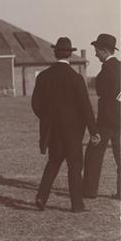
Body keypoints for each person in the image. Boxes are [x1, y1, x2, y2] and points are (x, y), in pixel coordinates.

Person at [32, 37, 99, 212]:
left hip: (53, 130)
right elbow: (85, 107)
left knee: (53, 162)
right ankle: (77, 205)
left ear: (55, 53)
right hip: (73, 131)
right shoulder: (76, 78)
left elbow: (36, 104)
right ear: (70, 54)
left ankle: (41, 197)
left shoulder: (44, 76)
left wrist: (47, 118)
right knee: (75, 167)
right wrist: (93, 131)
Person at [83, 33, 121, 199]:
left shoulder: (107, 68)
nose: (96, 54)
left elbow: (103, 91)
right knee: (120, 156)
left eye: (97, 50)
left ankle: (90, 190)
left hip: (106, 120)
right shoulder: (119, 66)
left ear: (105, 50)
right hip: (120, 118)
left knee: (93, 154)